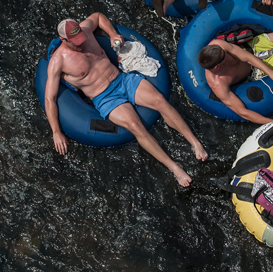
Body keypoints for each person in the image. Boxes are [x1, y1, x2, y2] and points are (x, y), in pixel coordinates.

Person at [45, 13, 208, 187]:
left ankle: (194, 142)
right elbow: (50, 98)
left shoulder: (86, 29)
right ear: (64, 40)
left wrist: (112, 33)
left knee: (160, 100)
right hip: (105, 97)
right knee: (135, 126)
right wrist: (56, 131)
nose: (81, 43)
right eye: (75, 42)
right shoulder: (58, 62)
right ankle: (175, 168)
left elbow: (98, 16)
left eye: (81, 37)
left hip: (122, 80)